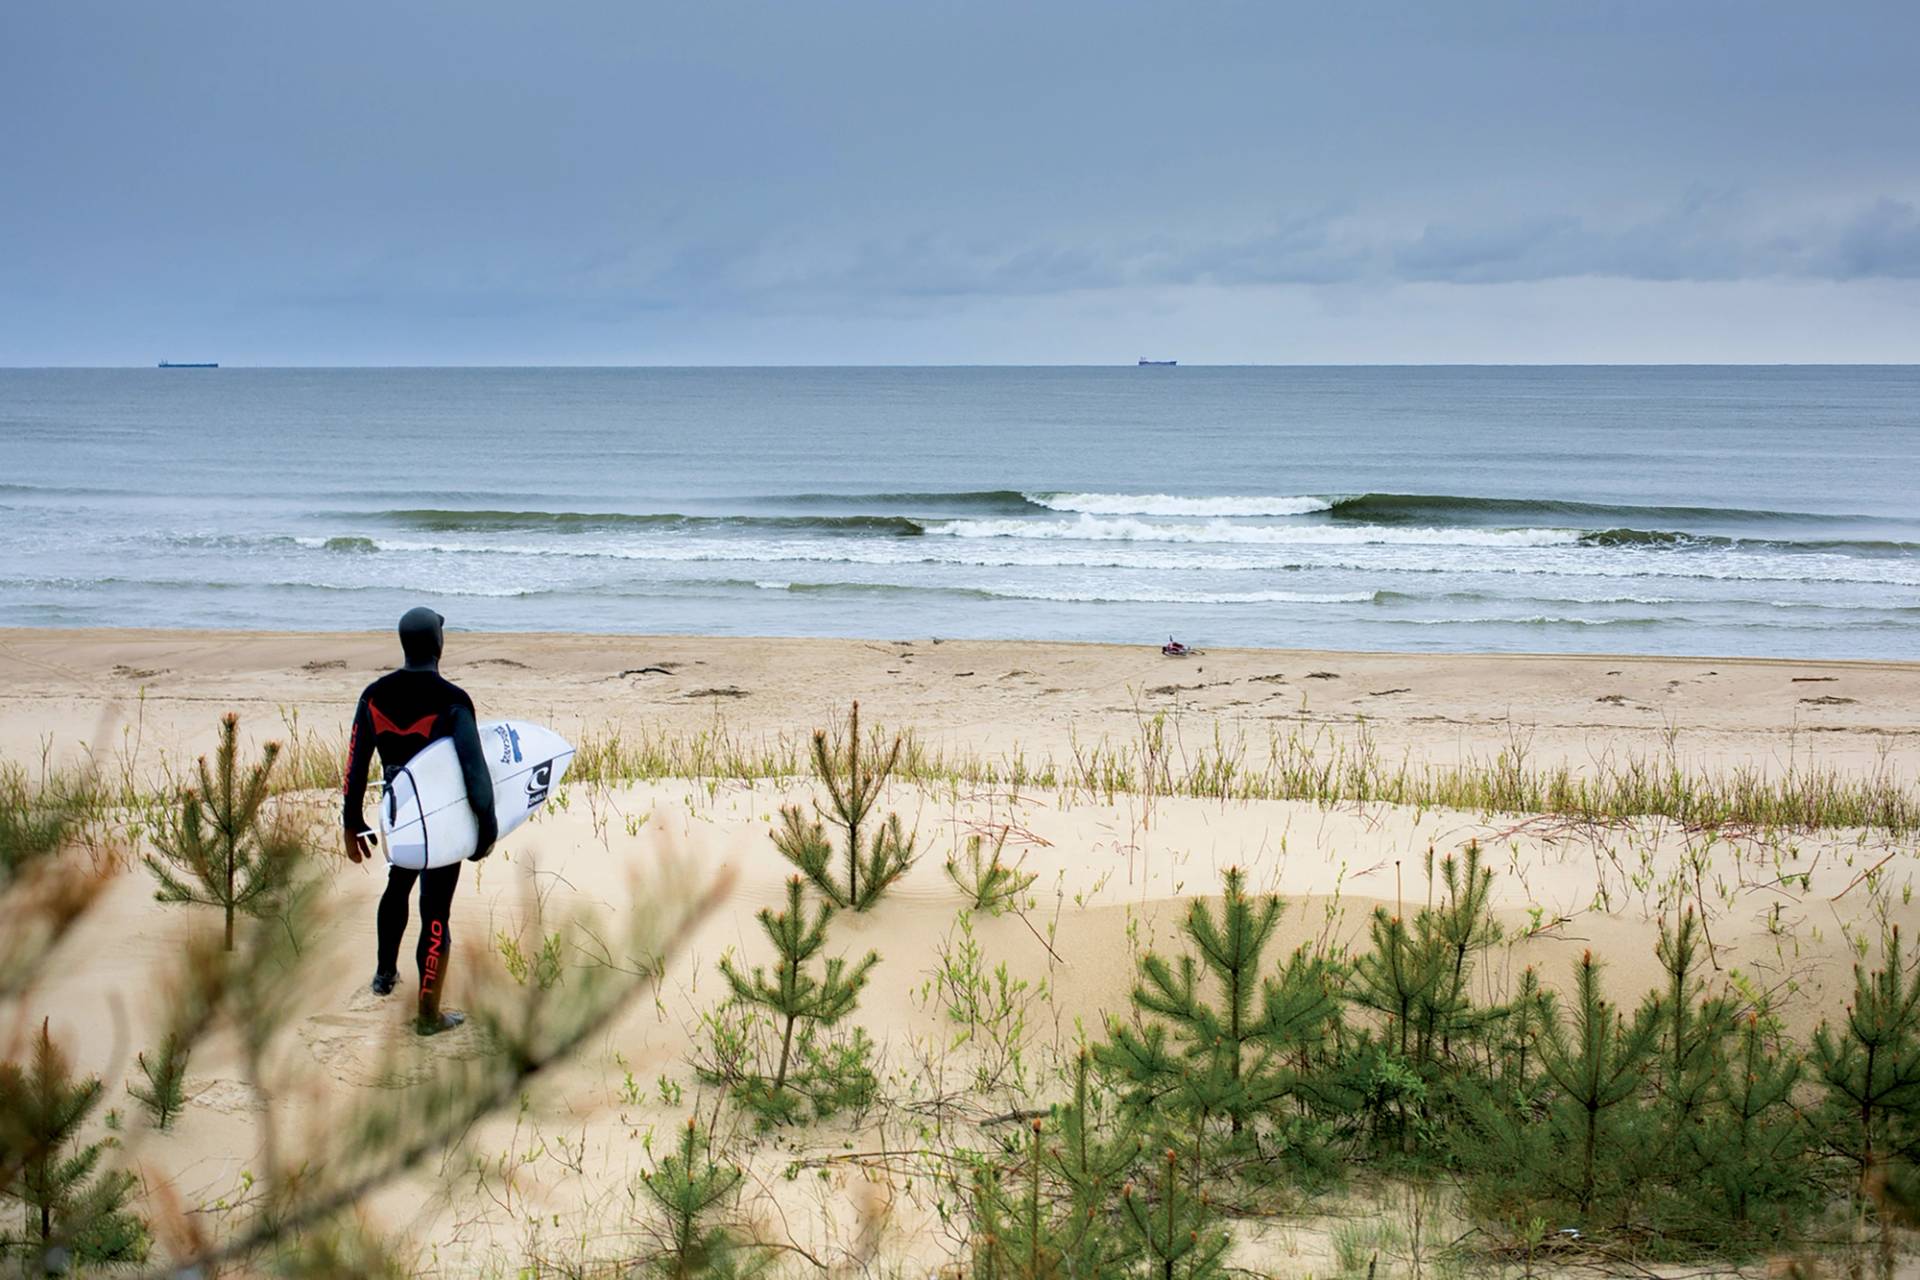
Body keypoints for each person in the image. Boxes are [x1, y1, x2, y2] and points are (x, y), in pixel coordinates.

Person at [342, 607, 497, 1035]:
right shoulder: (452, 700)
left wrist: (351, 820)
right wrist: (486, 827)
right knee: (435, 911)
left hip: (400, 817)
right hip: (441, 822)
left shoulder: (374, 695)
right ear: (437, 644)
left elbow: (356, 763)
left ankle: (384, 974)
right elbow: (475, 773)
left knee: (397, 885)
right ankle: (428, 1016)